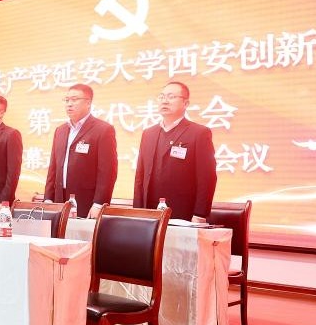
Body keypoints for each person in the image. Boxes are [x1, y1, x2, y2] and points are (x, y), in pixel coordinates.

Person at [134, 81, 218, 222]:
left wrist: (200, 214)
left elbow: (207, 177)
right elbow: (140, 176)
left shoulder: (199, 133)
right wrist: (137, 211)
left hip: (183, 212)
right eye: (161, 97)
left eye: (171, 97)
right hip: (149, 212)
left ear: (186, 103)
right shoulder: (148, 133)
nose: (165, 101)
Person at [44, 84, 117, 219]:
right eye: (67, 100)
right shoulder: (60, 130)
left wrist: (99, 204)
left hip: (87, 202)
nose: (69, 104)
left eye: (74, 99)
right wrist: (48, 198)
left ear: (88, 103)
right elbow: (53, 167)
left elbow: (108, 172)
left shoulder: (103, 130)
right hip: (59, 200)